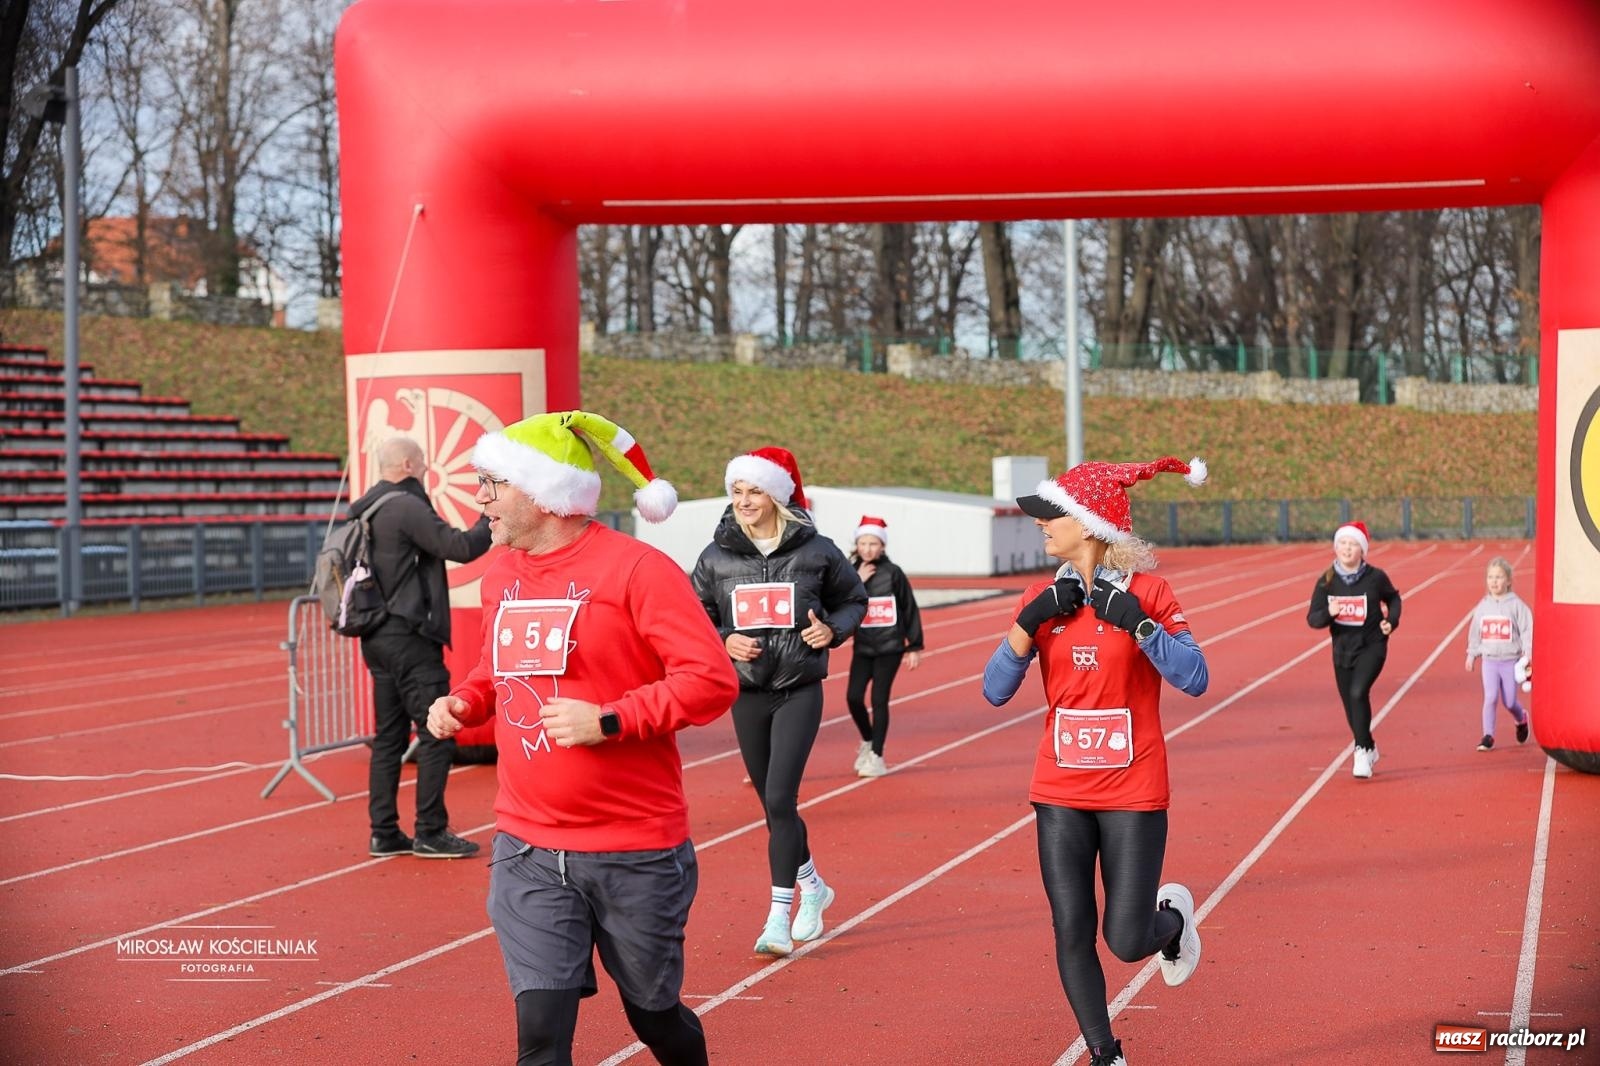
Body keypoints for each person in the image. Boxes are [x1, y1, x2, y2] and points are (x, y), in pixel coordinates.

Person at [425, 411, 739, 1066]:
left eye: (491, 482)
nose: (477, 496)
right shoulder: (502, 575)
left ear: (545, 494)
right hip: (528, 847)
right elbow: (495, 669)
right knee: (540, 1036)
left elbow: (711, 681)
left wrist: (609, 719)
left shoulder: (639, 571)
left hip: (635, 850)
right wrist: (465, 700)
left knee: (656, 1020)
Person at [981, 456, 1211, 1066]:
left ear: (1088, 523)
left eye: (1050, 517)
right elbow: (994, 689)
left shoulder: (1151, 593)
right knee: (1071, 929)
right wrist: (1028, 622)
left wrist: (1139, 627)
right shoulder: (1042, 596)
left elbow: (1195, 678)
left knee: (1127, 939)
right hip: (1059, 788)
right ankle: (1106, 1052)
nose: (1040, 527)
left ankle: (1173, 923)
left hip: (1133, 787)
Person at [690, 446, 868, 957]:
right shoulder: (715, 555)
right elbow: (692, 611)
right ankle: (815, 887)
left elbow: (853, 599)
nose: (743, 501)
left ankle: (778, 915)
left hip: (799, 689)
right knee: (773, 805)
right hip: (745, 691)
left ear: (777, 495)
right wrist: (723, 638)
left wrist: (832, 631)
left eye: (754, 491)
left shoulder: (817, 551)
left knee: (778, 799)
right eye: (736, 491)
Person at [354, 435, 493, 860]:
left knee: (390, 738)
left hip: (375, 636)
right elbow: (461, 548)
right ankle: (430, 830)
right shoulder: (406, 507)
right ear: (410, 465)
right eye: (424, 464)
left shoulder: (367, 507)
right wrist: (493, 513)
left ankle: (383, 832)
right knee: (438, 735)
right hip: (410, 638)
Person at [1306, 520, 1403, 779]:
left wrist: (1391, 621)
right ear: (1336, 548)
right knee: (1350, 704)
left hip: (1372, 645)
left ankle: (1360, 751)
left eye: (1352, 544)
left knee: (1359, 692)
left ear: (1362, 550)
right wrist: (1329, 612)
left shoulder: (1375, 577)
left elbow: (1393, 598)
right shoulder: (1327, 581)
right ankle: (1369, 744)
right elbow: (1313, 619)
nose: (1347, 549)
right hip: (1342, 651)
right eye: (1342, 544)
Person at [845, 515, 924, 777]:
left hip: (890, 646)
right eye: (863, 543)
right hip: (863, 646)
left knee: (879, 700)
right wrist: (857, 580)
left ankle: (877, 755)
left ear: (883, 546)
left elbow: (908, 607)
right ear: (857, 544)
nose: (868, 549)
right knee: (853, 697)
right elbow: (837, 601)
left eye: (873, 543)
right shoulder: (850, 571)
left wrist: (913, 645)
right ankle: (868, 740)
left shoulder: (893, 573)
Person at [1465, 556, 1532, 751]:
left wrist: (1527, 652)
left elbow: (1527, 628)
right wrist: (1472, 653)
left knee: (1510, 701)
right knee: (1491, 697)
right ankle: (1488, 735)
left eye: (1499, 577)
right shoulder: (1483, 606)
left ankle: (1521, 719)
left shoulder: (1516, 605)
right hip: (1490, 661)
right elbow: (1475, 631)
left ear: (1509, 580)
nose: (1494, 581)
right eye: (1490, 577)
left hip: (1510, 661)